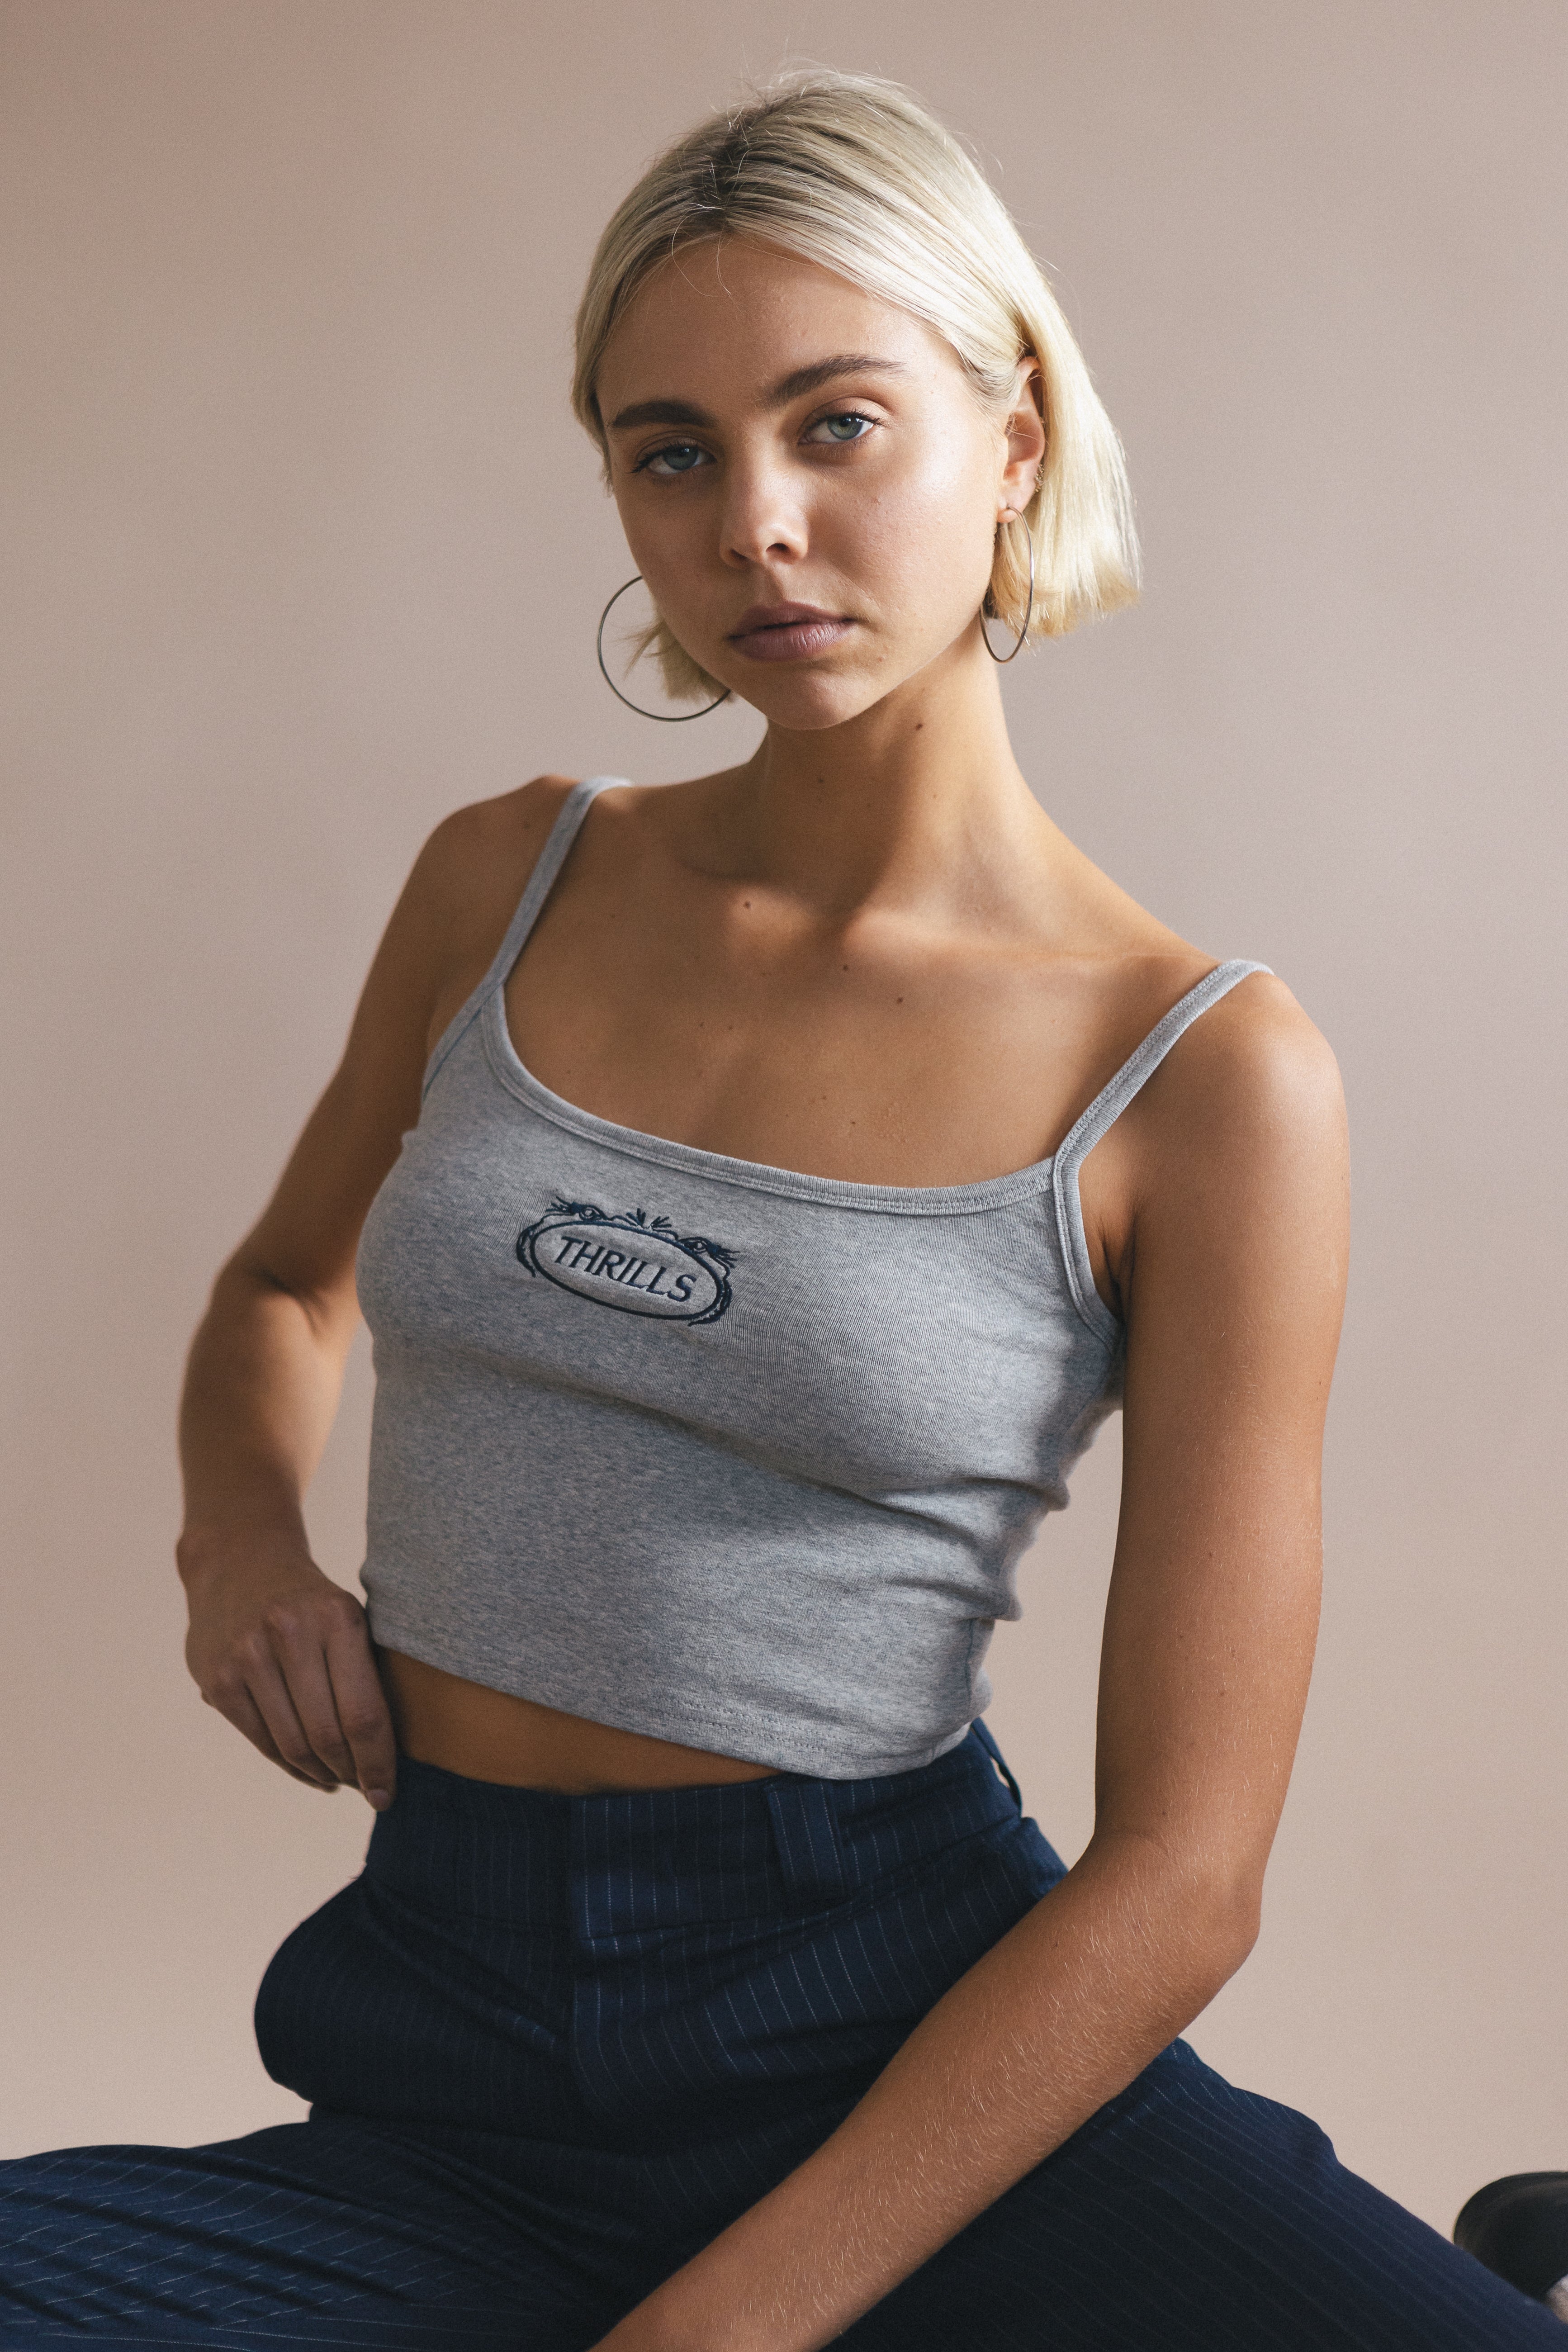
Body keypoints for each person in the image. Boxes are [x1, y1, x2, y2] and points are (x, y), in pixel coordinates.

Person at [0, 70, 1557, 2352]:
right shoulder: (506, 881)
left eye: (838, 425)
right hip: (456, 2053)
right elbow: (274, 1286)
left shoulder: (1203, 1078)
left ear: (1012, 436)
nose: (756, 525)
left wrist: (725, 2327)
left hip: (914, 2046)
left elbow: (1186, 1873)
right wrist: (235, 1541)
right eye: (672, 453)